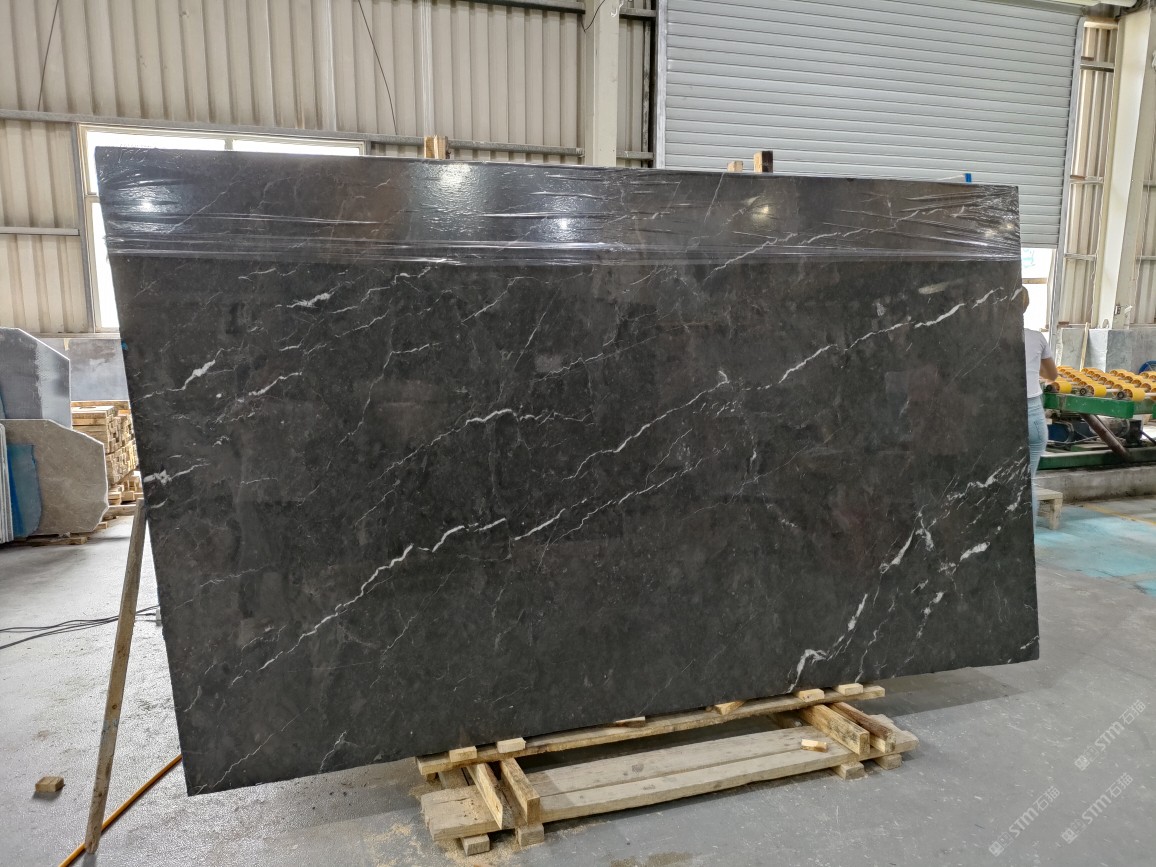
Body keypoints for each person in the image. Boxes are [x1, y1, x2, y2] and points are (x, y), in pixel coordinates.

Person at [1024, 291, 1058, 521]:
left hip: (1003, 416)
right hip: (1033, 416)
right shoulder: (1037, 338)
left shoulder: (990, 339)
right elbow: (1052, 375)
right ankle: (1028, 539)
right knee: (1027, 484)